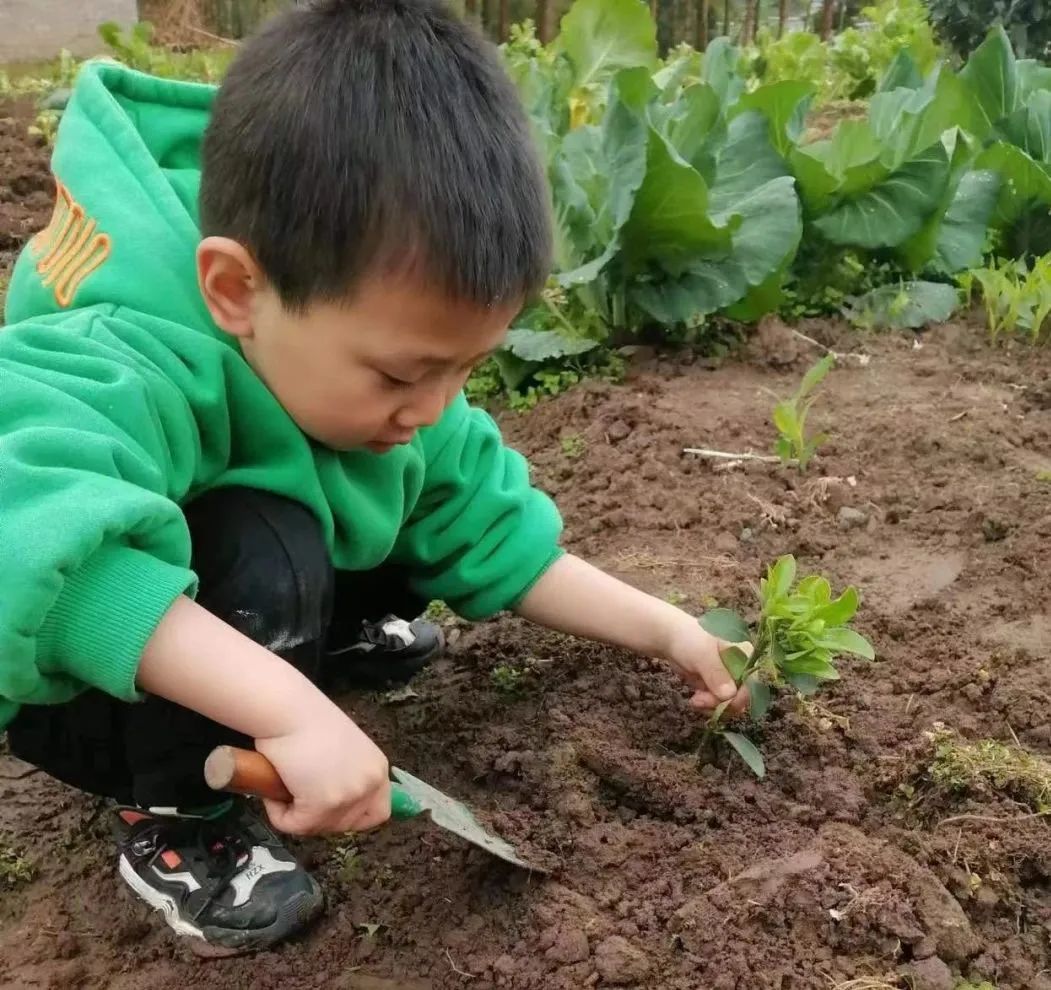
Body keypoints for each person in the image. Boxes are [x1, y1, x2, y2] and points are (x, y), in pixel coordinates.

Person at [0, 0, 748, 957]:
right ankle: (176, 825)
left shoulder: (372, 371)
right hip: (81, 679)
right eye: (403, 372)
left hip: (229, 612)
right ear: (236, 291)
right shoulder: (128, 350)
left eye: (465, 368)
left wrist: (666, 629)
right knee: (265, 538)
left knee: (392, 479)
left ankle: (315, 640)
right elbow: (37, 547)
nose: (436, 404)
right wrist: (286, 710)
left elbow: (488, 526)